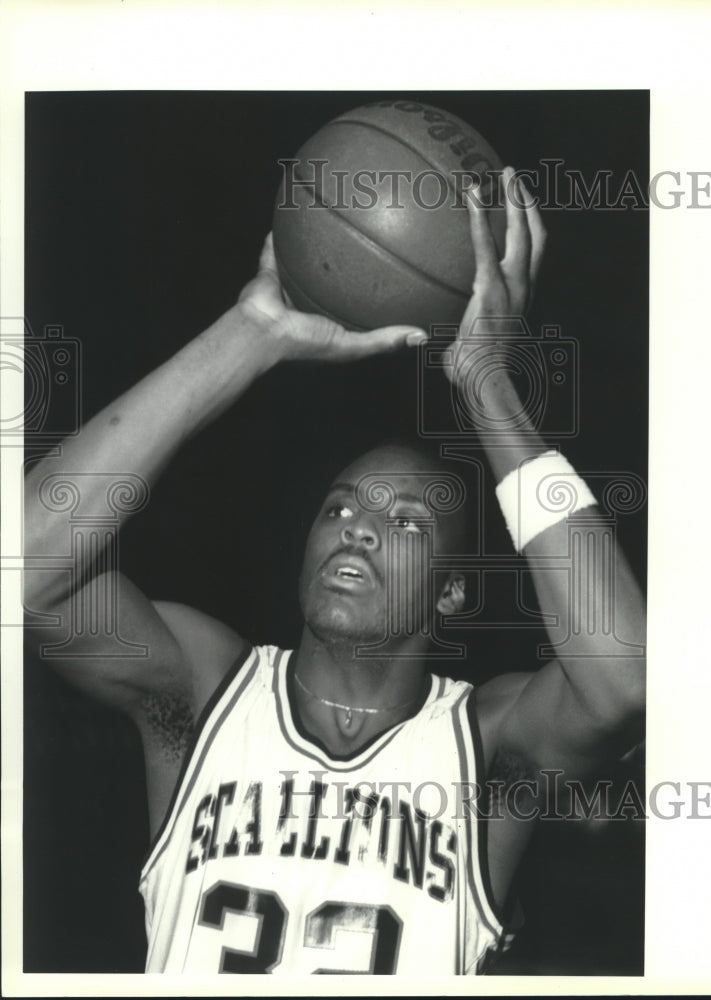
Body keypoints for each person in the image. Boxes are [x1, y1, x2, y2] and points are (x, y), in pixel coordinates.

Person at [24, 168, 646, 975]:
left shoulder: (488, 751)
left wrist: (488, 388)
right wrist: (249, 333)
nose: (357, 529)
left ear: (452, 590)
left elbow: (623, 678)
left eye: (405, 521)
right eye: (339, 508)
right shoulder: (204, 694)